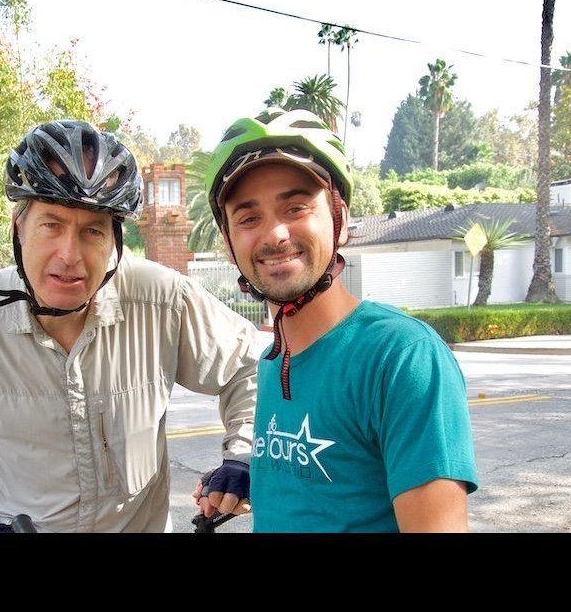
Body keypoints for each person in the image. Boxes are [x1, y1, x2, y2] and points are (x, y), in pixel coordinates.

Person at [0, 119, 260, 533]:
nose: (69, 254)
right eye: (51, 225)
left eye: (92, 231)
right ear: (18, 228)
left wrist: (242, 456)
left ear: (113, 240)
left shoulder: (162, 301)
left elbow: (251, 364)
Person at [194, 107, 479, 532]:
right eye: (249, 217)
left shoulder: (401, 357)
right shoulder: (274, 361)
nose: (274, 234)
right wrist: (253, 476)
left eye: (295, 207)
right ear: (229, 242)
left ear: (339, 218)